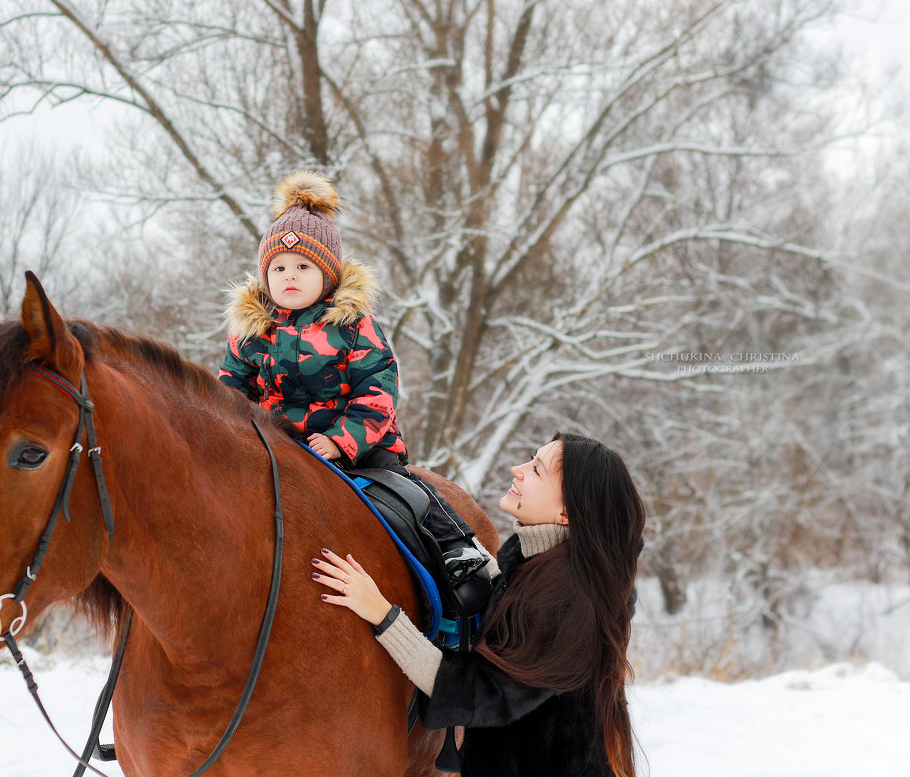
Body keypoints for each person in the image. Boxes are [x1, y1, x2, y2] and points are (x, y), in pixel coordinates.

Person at [312, 433, 646, 777]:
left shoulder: (569, 603)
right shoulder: (553, 569)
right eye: (530, 459)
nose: (518, 469)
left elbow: (477, 690)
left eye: (537, 470)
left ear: (566, 510)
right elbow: (511, 602)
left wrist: (382, 614)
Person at [219, 170, 490, 585]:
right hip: (282, 443)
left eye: (303, 266)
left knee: (401, 490)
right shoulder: (252, 333)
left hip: (360, 444)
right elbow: (231, 391)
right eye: (279, 268)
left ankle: (454, 545)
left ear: (328, 274)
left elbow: (378, 389)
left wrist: (341, 440)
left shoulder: (352, 326)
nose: (289, 276)